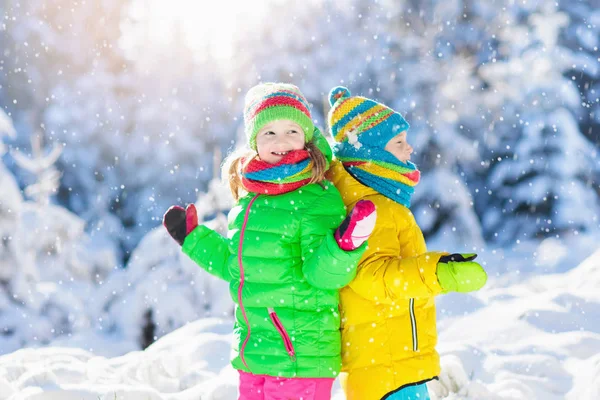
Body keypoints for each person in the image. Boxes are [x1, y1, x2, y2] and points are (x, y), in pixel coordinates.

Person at [163, 83, 377, 400]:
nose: (281, 141)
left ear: (307, 137)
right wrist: (194, 238)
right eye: (269, 133)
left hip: (300, 358)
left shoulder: (315, 197)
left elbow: (323, 275)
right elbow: (234, 266)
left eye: (292, 130)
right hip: (255, 355)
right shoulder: (250, 200)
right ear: (255, 143)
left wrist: (344, 246)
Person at [325, 86, 487, 400]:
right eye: (398, 143)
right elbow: (375, 277)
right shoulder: (373, 209)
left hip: (389, 364)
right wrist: (437, 272)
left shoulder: (377, 202)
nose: (409, 149)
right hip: (387, 369)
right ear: (370, 153)